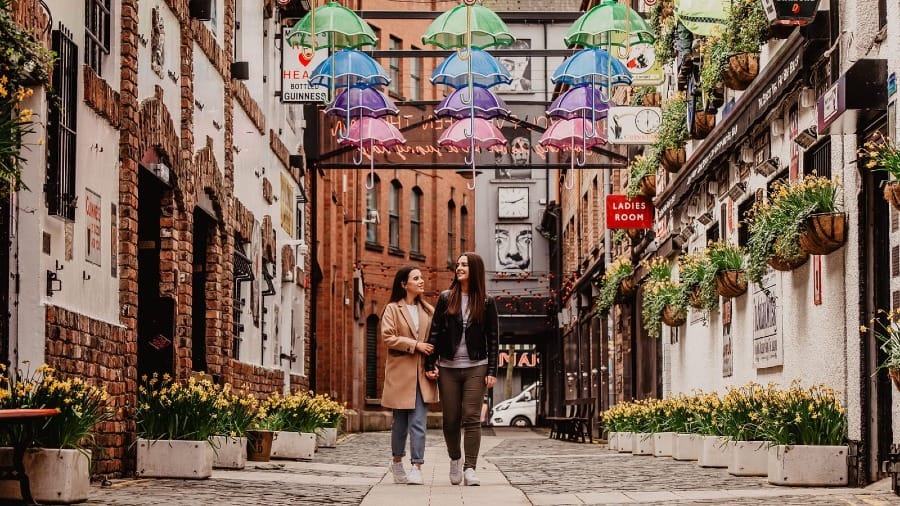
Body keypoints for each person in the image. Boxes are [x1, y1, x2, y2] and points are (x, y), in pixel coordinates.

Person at [425, 252, 499, 486]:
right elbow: (434, 332)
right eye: (457, 264)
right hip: (448, 367)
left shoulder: (486, 302)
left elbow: (493, 338)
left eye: (464, 265)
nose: (459, 268)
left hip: (476, 365)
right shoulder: (447, 298)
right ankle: (455, 459)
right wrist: (430, 363)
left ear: (474, 269)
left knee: (472, 417)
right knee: (450, 420)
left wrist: (493, 370)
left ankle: (470, 468)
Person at [381, 266, 437, 485]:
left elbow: (434, 343)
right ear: (404, 284)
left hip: (422, 376)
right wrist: (415, 345)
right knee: (400, 424)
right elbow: (388, 337)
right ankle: (396, 462)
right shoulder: (393, 309)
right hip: (400, 375)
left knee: (418, 421)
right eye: (416, 278)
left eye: (421, 277)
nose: (421, 281)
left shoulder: (429, 311)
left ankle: (417, 466)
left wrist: (435, 365)